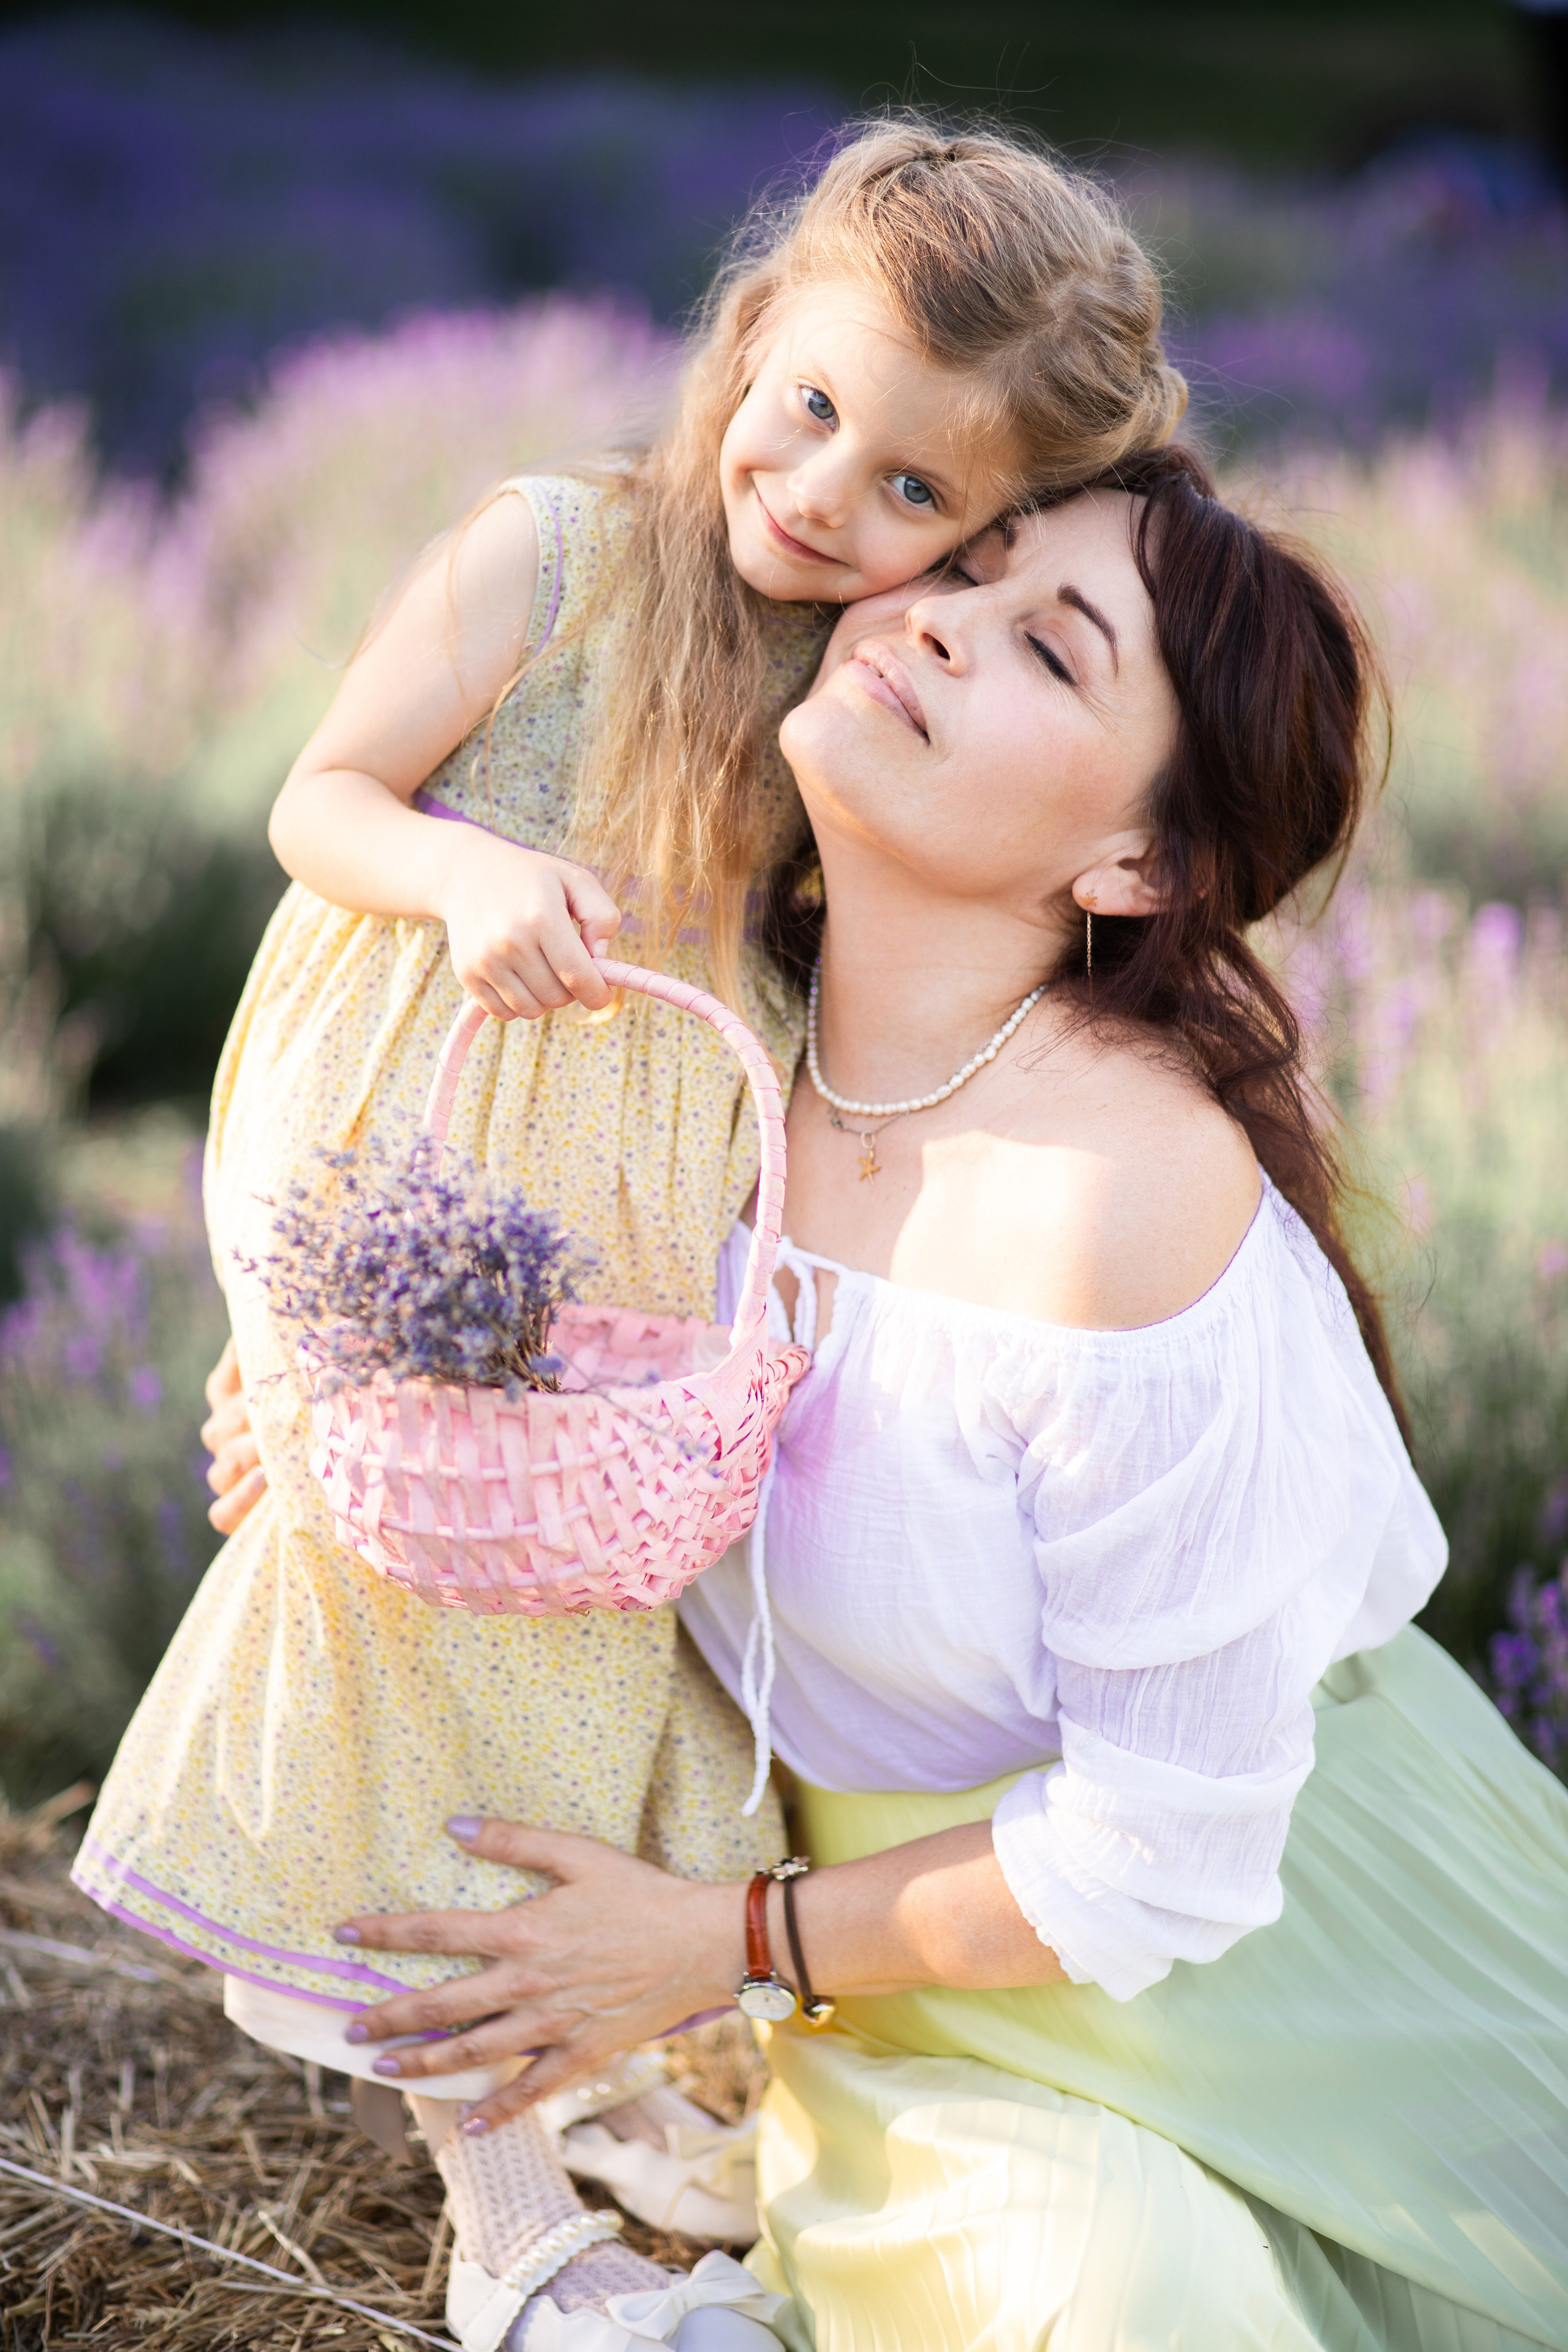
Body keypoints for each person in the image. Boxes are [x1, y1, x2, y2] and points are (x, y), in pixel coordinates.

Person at [72, 121, 1188, 2350]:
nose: (829, 497)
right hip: (425, 1183)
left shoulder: (869, 679)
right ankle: (515, 2246)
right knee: (445, 1659)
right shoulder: (552, 556)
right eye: (814, 410)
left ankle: (626, 2087)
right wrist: (472, 874)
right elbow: (322, 799)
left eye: (916, 497)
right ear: (755, 323)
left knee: (609, 1662)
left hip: (630, 1272)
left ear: (985, 532)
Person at [314, 451, 1568, 2351]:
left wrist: (712, 1951)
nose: (937, 622)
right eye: (966, 569)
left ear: (1137, 866)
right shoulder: (691, 1071)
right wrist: (323, 1414)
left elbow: (1165, 1856)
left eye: (1049, 648)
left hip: (1313, 1973)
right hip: (929, 2019)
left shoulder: (1117, 1203)